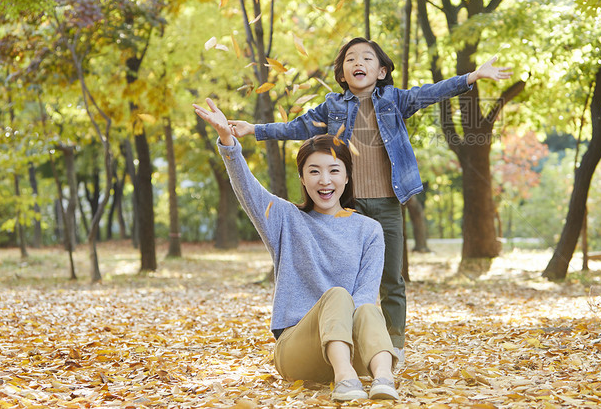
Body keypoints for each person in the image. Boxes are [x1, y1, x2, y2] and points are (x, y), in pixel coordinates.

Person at [229, 38, 511, 359]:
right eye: (350, 59)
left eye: (366, 58)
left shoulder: (395, 100)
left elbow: (428, 92)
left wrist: (471, 77)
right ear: (342, 73)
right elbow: (298, 127)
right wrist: (254, 129)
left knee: (392, 278)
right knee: (343, 277)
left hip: (388, 202)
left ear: (381, 71)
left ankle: (393, 345)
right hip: (345, 206)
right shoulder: (331, 107)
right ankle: (342, 341)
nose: (358, 62)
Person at [193, 98, 400, 402]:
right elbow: (247, 189)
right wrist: (228, 142)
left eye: (333, 170)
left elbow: (366, 295)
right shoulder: (286, 218)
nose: (325, 180)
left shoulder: (369, 230)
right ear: (302, 178)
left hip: (355, 350)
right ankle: (344, 380)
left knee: (367, 306)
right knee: (338, 294)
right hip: (297, 351)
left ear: (346, 176)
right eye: (314, 171)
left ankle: (383, 378)